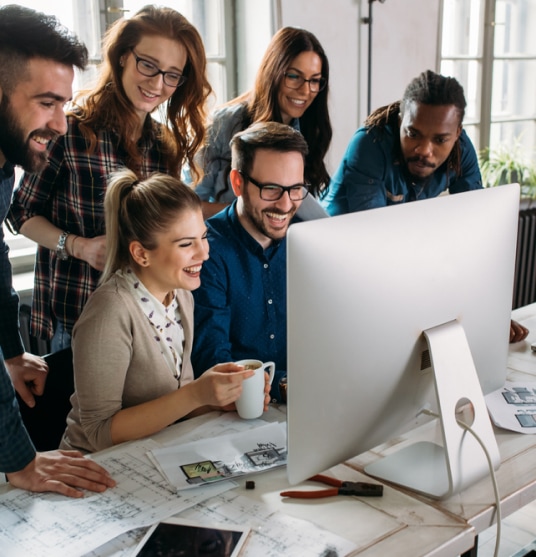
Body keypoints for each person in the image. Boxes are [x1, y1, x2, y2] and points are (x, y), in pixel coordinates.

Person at [8, 5, 212, 353]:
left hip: (144, 322)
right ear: (122, 57)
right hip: (75, 318)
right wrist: (79, 246)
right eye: (147, 65)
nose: (157, 84)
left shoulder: (164, 145)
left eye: (172, 75)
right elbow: (21, 214)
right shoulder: (69, 131)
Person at [60, 169, 266, 453]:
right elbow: (98, 432)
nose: (204, 253)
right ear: (141, 254)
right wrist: (195, 395)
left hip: (155, 453)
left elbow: (175, 402)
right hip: (94, 466)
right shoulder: (109, 312)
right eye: (186, 244)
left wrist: (218, 398)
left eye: (204, 237)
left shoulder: (181, 295)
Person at [0, 4, 115, 496]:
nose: (62, 124)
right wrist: (20, 460)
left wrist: (10, 351)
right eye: (47, 102)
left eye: (64, 103)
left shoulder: (5, 165)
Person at [191, 121, 310, 402]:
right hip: (236, 413)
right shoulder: (207, 251)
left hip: (307, 402)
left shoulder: (307, 240)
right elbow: (214, 363)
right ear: (237, 183)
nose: (285, 205)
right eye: (271, 189)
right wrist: (286, 384)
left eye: (295, 189)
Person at [194, 26, 331, 218]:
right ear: (272, 72)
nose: (306, 91)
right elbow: (189, 206)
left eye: (314, 80)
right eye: (294, 76)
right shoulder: (223, 125)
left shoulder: (311, 130)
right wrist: (246, 216)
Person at [321, 70, 482, 215]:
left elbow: (475, 213)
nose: (424, 150)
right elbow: (372, 231)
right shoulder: (370, 144)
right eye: (413, 134)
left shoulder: (461, 150)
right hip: (329, 235)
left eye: (440, 140)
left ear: (456, 134)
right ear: (400, 123)